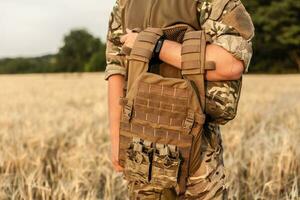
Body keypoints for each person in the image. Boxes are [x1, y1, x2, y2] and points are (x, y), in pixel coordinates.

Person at [104, 0, 254, 199]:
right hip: (139, 144)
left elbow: (231, 62)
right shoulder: (125, 4)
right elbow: (116, 68)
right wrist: (117, 139)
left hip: (195, 144)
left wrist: (154, 46)